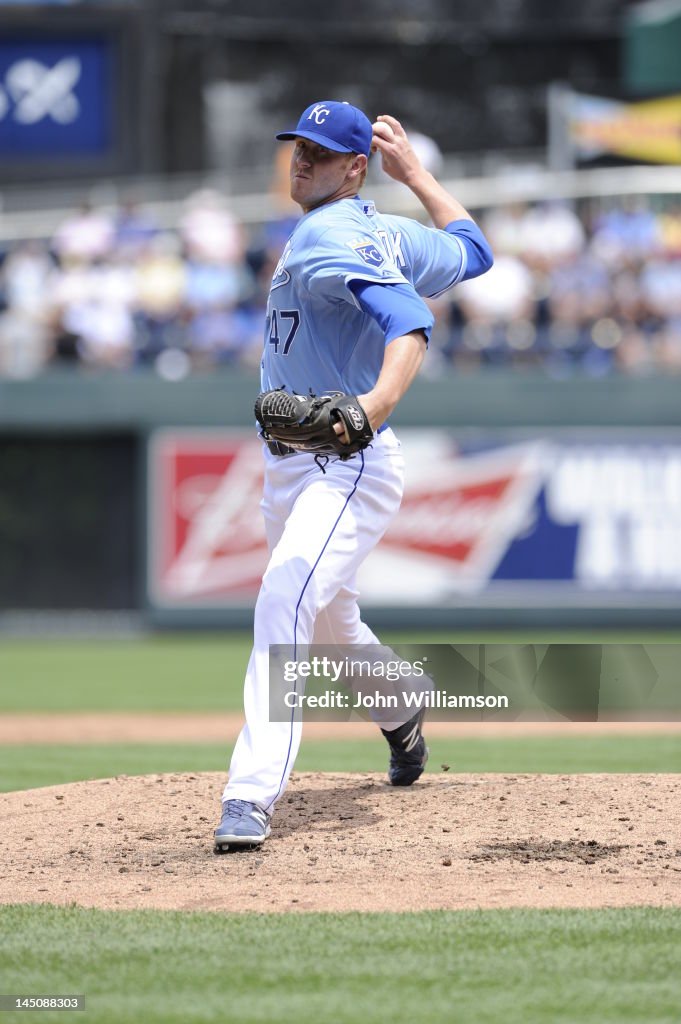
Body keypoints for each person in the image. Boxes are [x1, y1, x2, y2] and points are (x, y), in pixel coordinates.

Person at [214, 100, 493, 849]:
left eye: (319, 151)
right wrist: (420, 177)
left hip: (344, 461)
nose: (300, 160)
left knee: (283, 595)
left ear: (352, 168)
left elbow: (409, 321)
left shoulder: (332, 231)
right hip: (300, 468)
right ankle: (404, 712)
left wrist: (372, 404)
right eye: (297, 146)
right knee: (333, 627)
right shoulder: (385, 230)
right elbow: (472, 250)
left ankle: (249, 796)